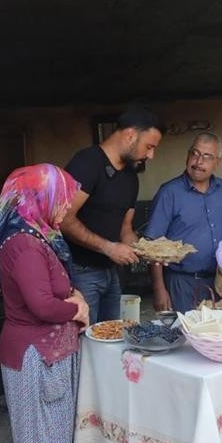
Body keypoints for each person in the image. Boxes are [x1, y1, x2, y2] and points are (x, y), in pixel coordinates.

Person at [0, 163, 90, 443]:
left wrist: (72, 295)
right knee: (38, 438)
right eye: (60, 201)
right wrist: (76, 307)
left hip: (49, 351)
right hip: (34, 355)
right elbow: (42, 306)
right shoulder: (25, 246)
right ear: (37, 199)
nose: (66, 208)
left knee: (55, 431)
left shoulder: (38, 234)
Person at [63, 104, 165, 324]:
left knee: (112, 337)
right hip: (80, 272)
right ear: (130, 136)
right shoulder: (87, 163)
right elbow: (63, 219)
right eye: (149, 147)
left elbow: (125, 230)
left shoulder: (131, 178)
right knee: (85, 338)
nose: (151, 155)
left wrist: (151, 252)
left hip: (111, 273)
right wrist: (108, 247)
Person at [144, 131, 222, 314]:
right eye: (194, 154)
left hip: (221, 282)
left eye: (206, 156)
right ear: (188, 155)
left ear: (217, 163)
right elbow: (153, 246)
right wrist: (159, 289)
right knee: (186, 338)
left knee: (218, 336)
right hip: (181, 283)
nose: (198, 162)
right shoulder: (169, 193)